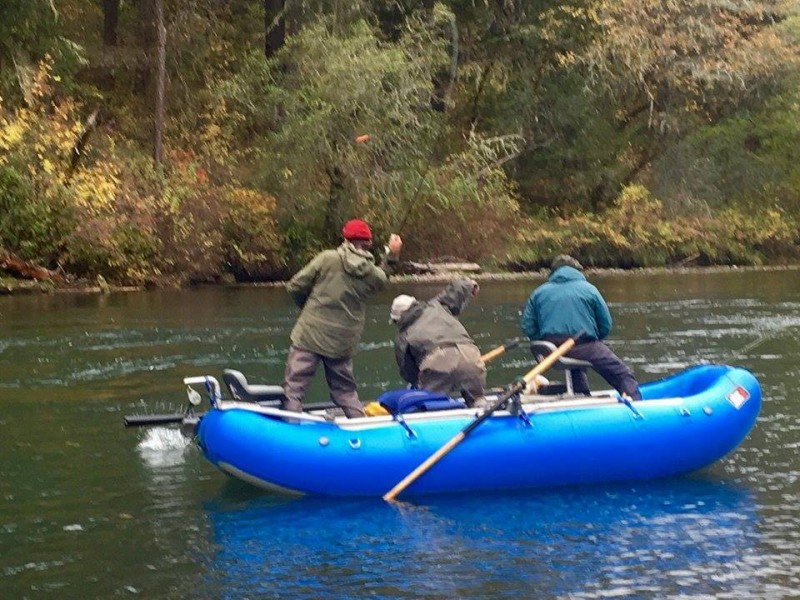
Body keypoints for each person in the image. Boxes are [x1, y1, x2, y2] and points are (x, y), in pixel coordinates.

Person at [281, 219, 403, 418]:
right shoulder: (373, 275)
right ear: (369, 243)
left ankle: (290, 429)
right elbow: (383, 275)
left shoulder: (327, 258)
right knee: (345, 391)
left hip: (309, 334)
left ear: (345, 238)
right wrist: (393, 254)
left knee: (294, 389)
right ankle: (361, 428)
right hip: (343, 340)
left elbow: (295, 286)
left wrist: (307, 307)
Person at [519, 254, 641, 400]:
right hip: (582, 345)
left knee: (577, 365)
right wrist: (595, 340)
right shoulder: (589, 290)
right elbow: (605, 325)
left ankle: (580, 394)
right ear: (577, 270)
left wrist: (544, 340)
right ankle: (637, 404)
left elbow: (527, 326)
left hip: (548, 349)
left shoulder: (538, 292)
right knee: (622, 374)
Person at [390, 277, 488, 409]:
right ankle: (479, 405)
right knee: (477, 399)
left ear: (398, 319)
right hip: (470, 355)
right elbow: (458, 288)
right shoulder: (437, 305)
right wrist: (471, 285)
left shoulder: (403, 336)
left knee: (432, 405)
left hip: (438, 362)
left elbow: (408, 372)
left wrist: (419, 383)